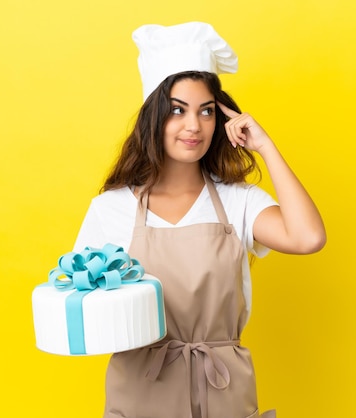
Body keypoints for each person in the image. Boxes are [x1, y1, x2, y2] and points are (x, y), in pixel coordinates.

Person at [73, 22, 326, 418]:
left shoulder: (237, 201)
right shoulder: (112, 208)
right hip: (142, 394)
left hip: (223, 389)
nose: (194, 126)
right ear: (152, 117)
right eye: (177, 110)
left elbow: (308, 237)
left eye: (206, 111)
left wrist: (266, 147)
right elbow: (85, 310)